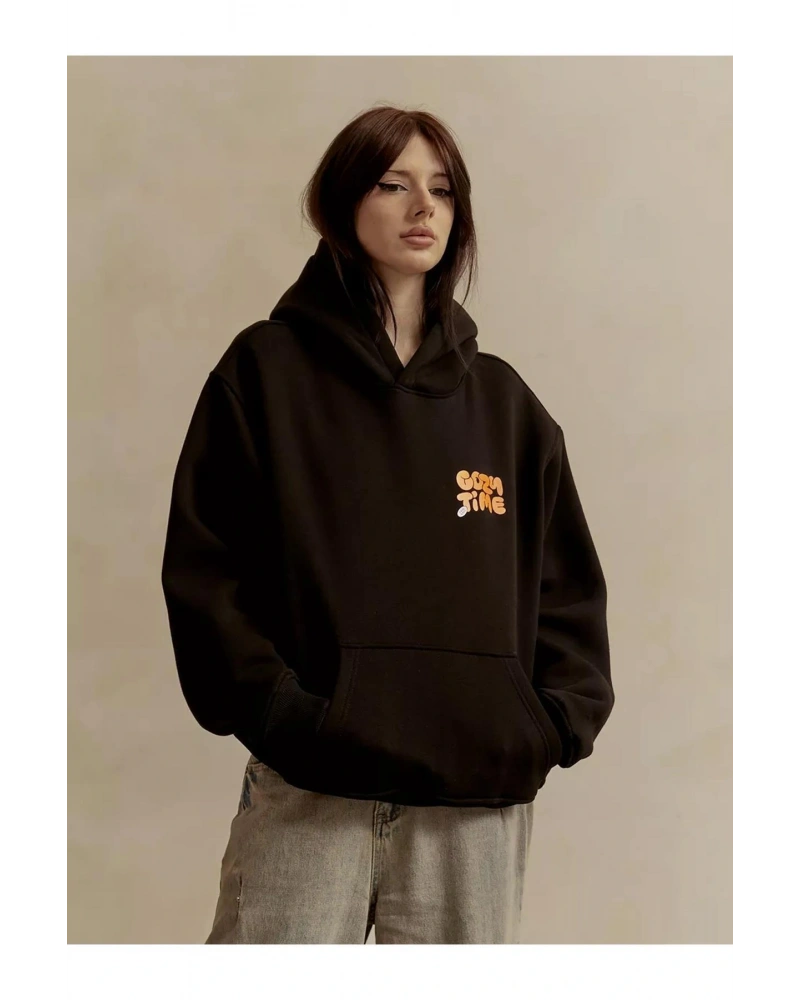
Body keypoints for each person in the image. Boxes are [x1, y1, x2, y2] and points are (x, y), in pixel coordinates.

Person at [160, 104, 615, 945]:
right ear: (342, 203)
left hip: (473, 810)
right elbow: (206, 572)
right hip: (312, 792)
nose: (423, 208)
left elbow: (569, 596)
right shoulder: (265, 372)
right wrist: (290, 719)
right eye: (393, 184)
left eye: (442, 190)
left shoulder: (507, 408)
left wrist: (542, 728)